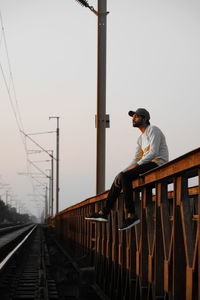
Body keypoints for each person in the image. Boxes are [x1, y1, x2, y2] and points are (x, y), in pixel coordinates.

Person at [85, 108, 169, 231]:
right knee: (120, 177)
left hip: (158, 163)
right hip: (146, 164)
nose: (133, 119)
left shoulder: (153, 130)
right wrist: (122, 171)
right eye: (132, 117)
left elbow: (154, 153)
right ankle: (104, 212)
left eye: (136, 116)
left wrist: (136, 165)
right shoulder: (140, 139)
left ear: (145, 119)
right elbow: (135, 159)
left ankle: (131, 215)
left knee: (125, 177)